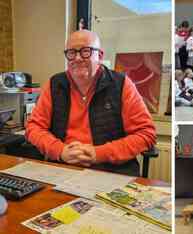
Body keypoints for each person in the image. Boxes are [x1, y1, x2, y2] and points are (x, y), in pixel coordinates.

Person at [26, 30, 156, 176]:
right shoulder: (54, 84)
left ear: (100, 56)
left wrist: (98, 153)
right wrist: (60, 151)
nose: (77, 58)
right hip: (63, 169)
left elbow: (146, 134)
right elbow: (34, 127)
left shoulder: (121, 84)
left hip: (111, 172)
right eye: (71, 53)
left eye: (85, 51)